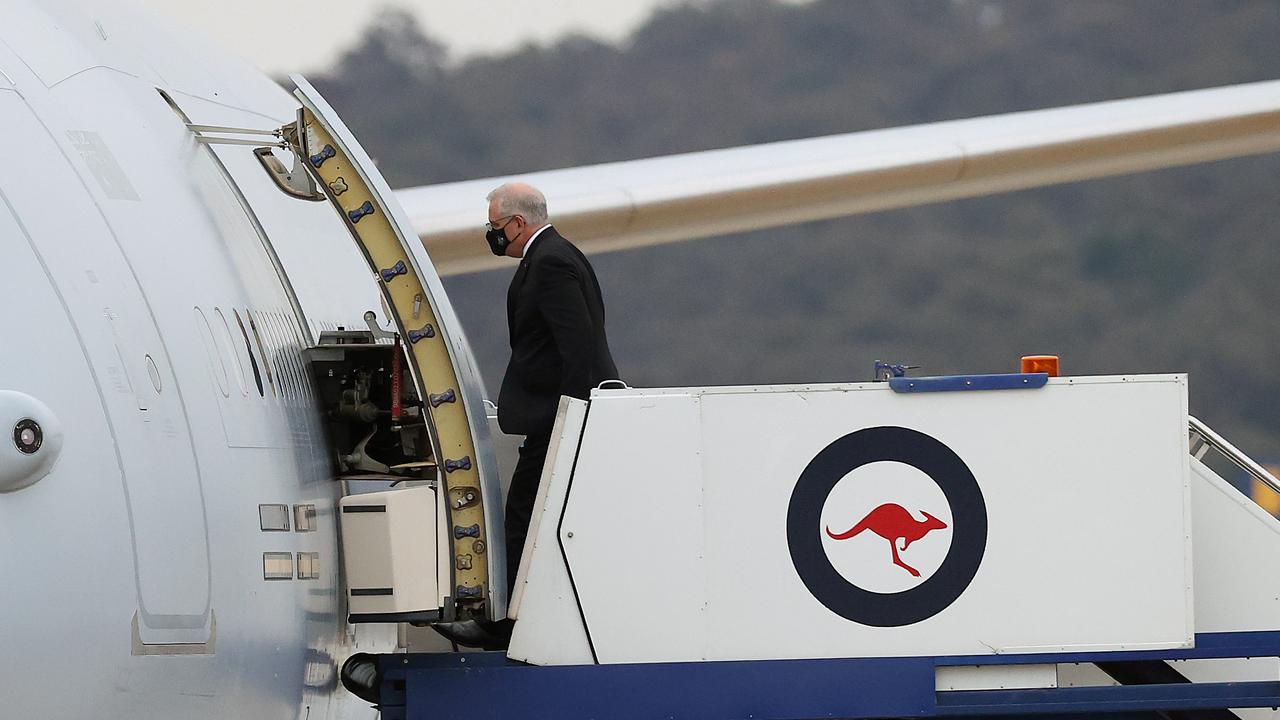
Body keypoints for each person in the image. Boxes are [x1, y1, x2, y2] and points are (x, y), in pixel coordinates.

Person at [436, 182, 619, 650]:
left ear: (518, 223)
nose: (491, 235)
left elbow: (577, 346)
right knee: (529, 513)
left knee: (523, 514)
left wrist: (572, 416)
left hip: (560, 418)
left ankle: (505, 625)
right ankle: (515, 619)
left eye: (494, 227)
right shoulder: (553, 257)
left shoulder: (552, 262)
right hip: (556, 416)